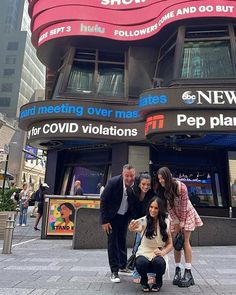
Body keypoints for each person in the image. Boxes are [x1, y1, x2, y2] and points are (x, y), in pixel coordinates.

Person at [156, 167, 203, 287]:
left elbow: (183, 205)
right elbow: (168, 208)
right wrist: (176, 222)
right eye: (159, 179)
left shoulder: (181, 186)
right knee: (176, 243)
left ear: (168, 176)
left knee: (185, 241)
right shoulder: (163, 190)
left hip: (186, 213)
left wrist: (181, 222)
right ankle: (177, 270)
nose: (161, 181)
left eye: (162, 178)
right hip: (175, 217)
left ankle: (188, 271)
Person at [100, 164, 138, 283]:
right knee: (112, 243)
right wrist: (104, 221)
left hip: (124, 217)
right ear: (123, 174)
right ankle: (114, 271)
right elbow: (103, 201)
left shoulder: (136, 184)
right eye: (127, 176)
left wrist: (134, 219)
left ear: (134, 175)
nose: (129, 178)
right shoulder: (113, 182)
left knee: (122, 240)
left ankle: (123, 266)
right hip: (112, 218)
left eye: (131, 176)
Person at [128, 197, 173, 292]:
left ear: (160, 209)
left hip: (158, 253)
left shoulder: (166, 222)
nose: (153, 210)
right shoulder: (144, 220)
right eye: (151, 207)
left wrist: (163, 252)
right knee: (141, 263)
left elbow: (170, 244)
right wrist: (131, 227)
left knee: (159, 263)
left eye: (156, 208)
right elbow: (135, 228)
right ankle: (144, 280)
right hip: (144, 252)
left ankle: (158, 280)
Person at [132, 173, 155, 283]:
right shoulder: (133, 193)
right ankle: (136, 273)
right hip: (138, 225)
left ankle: (151, 274)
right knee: (137, 247)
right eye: (143, 184)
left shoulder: (152, 195)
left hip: (150, 224)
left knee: (151, 248)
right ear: (139, 184)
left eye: (148, 184)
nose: (146, 187)